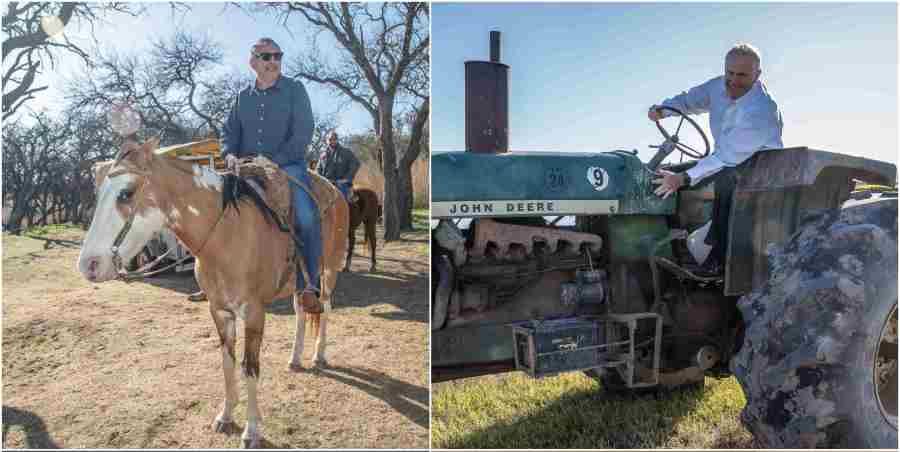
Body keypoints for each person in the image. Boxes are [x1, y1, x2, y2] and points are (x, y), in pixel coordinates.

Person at [189, 37, 321, 306]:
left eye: (278, 56)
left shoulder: (295, 89)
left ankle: (309, 286)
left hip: (287, 166)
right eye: (267, 57)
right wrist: (230, 155)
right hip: (245, 168)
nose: (274, 61)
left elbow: (304, 130)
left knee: (307, 217)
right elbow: (229, 133)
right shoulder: (242, 97)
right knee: (212, 208)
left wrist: (274, 159)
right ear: (253, 63)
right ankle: (213, 280)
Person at [649, 43, 784, 275]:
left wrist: (682, 179)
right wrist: (664, 110)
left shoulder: (762, 111)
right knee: (661, 175)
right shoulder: (717, 87)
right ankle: (670, 248)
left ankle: (719, 260)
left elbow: (727, 158)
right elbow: (689, 101)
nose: (733, 81)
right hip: (726, 158)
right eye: (729, 73)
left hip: (760, 168)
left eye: (742, 75)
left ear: (757, 75)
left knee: (726, 180)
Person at [316, 130, 361, 202]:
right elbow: (318, 169)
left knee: (341, 200)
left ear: (337, 140)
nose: (332, 141)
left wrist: (347, 178)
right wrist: (319, 180)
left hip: (340, 183)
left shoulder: (346, 152)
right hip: (325, 182)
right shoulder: (323, 155)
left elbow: (356, 163)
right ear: (327, 141)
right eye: (330, 139)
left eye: (334, 139)